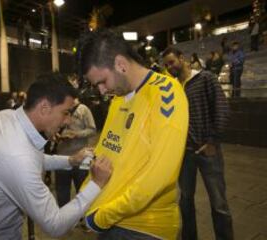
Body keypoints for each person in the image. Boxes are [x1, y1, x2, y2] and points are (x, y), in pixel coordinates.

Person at [0, 73, 112, 240]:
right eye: (65, 113)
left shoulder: (1, 118)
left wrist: (70, 160)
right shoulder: (17, 156)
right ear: (44, 108)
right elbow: (55, 224)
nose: (67, 121)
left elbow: (35, 159)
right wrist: (96, 184)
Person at [77, 29, 189, 239]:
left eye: (102, 81)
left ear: (120, 64)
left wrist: (102, 217)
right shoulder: (118, 98)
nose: (101, 91)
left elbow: (159, 176)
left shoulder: (166, 92)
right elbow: (107, 149)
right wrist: (87, 194)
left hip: (144, 227)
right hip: (107, 217)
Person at [162, 47, 233, 240]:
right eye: (166, 65)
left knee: (219, 204)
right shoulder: (173, 87)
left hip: (207, 151)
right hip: (184, 154)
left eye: (172, 62)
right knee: (185, 201)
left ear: (182, 58)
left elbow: (222, 109)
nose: (169, 67)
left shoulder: (206, 78)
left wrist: (213, 141)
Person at [55, 95, 96, 207]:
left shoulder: (83, 109)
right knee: (62, 190)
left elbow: (92, 129)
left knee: (82, 189)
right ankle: (63, 218)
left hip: (81, 156)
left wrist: (76, 134)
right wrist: (56, 135)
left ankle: (82, 217)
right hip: (61, 156)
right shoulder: (58, 108)